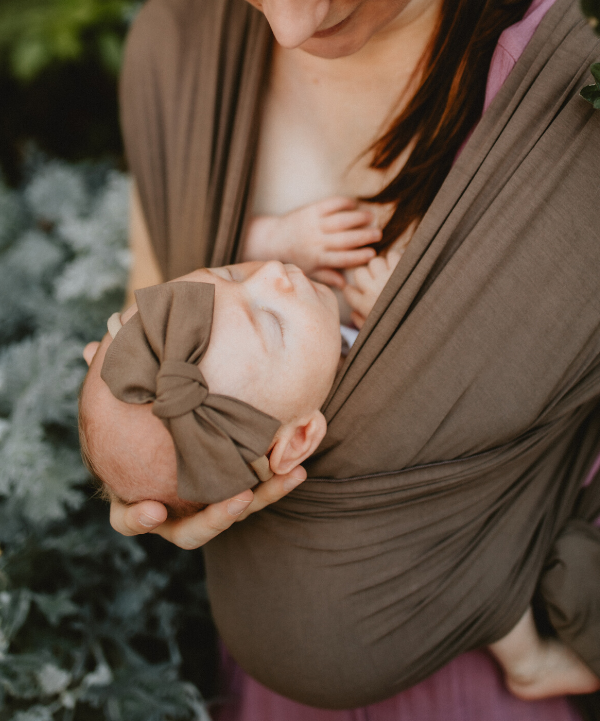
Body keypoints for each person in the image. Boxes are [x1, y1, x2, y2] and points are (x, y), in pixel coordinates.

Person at [93, 0, 600, 718]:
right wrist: (151, 472)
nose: (289, 23)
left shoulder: (574, 86)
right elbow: (158, 327)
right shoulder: (176, 52)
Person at [81, 260, 598, 703]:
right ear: (300, 439)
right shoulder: (388, 427)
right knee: (481, 568)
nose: (273, 275)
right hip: (405, 581)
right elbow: (476, 400)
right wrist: (402, 323)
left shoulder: (273, 373)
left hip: (289, 615)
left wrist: (284, 230)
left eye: (230, 272)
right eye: (274, 324)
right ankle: (528, 661)